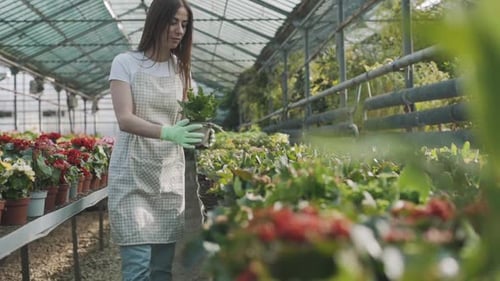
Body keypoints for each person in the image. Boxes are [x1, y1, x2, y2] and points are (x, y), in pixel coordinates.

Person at [107, 0, 203, 280]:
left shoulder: (181, 71)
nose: (179, 31)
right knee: (137, 269)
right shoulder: (126, 63)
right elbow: (125, 118)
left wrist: (198, 127)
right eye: (173, 22)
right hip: (131, 177)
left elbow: (189, 117)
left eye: (184, 24)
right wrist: (167, 132)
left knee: (161, 270)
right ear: (156, 21)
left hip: (167, 178)